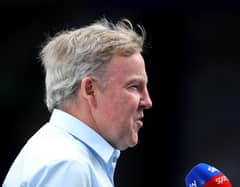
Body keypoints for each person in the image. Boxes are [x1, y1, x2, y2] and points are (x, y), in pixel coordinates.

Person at [3, 18, 152, 187]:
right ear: (90, 89)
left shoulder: (66, 156)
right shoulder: (68, 164)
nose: (147, 101)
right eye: (133, 86)